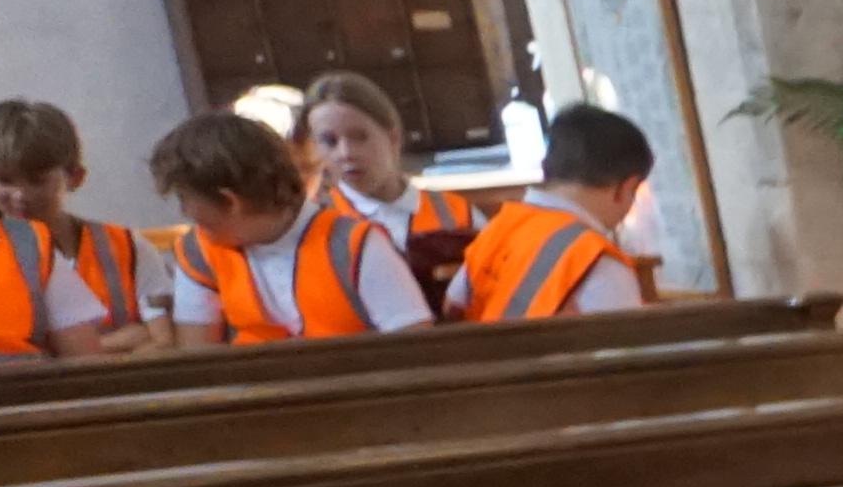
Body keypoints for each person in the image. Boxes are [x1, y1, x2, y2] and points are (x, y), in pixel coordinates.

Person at [147, 113, 429, 344]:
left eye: (184, 198)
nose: (184, 212)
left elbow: (416, 350)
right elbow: (200, 363)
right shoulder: (198, 252)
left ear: (230, 201)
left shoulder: (357, 245)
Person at [0, 100, 149, 362]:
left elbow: (159, 338)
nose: (20, 195)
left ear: (75, 177)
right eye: (5, 180)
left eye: (37, 181)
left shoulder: (126, 246)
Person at [452, 107, 660, 318]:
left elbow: (452, 307)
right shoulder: (597, 262)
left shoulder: (496, 231)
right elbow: (626, 338)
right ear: (626, 189)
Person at [298, 70, 479, 269]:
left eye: (360, 137)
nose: (346, 153)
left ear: (393, 138)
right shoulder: (315, 227)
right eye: (329, 141)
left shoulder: (456, 213)